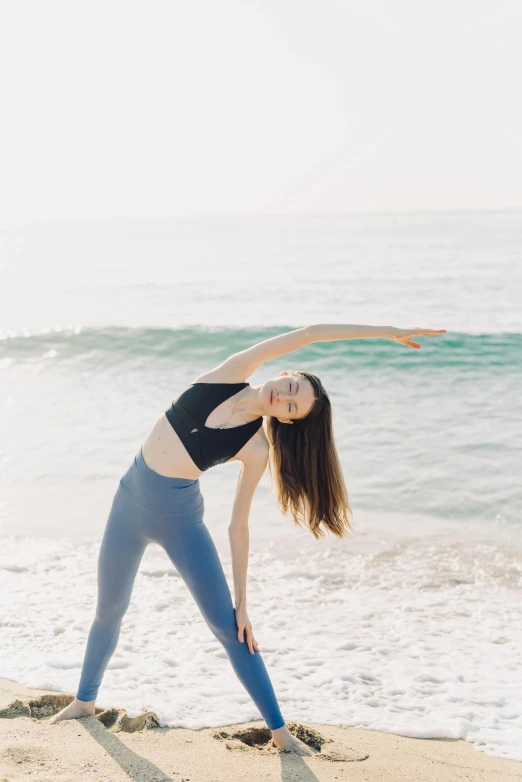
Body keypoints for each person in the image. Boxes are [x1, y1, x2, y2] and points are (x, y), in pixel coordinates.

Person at [48, 322, 446, 754]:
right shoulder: (231, 373)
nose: (285, 397)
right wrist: (389, 332)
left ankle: (281, 734)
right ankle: (85, 702)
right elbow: (310, 333)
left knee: (230, 628)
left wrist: (244, 603)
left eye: (292, 407)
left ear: (288, 420)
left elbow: (238, 525)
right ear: (284, 371)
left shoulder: (255, 448)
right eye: (291, 386)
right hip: (127, 503)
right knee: (109, 607)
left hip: (181, 522)